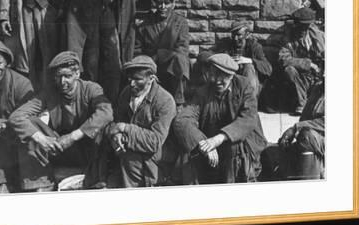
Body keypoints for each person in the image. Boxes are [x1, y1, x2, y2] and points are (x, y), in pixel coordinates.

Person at [7, 51, 113, 191]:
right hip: (59, 147)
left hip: (87, 148)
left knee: (102, 126)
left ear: (77, 74)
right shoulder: (50, 93)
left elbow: (106, 113)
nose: (63, 82)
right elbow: (17, 116)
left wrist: (73, 136)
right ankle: (40, 183)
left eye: (67, 76)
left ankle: (97, 178)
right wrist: (42, 139)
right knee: (31, 123)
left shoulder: (91, 89)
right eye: (59, 77)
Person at [173, 53, 267, 184]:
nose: (216, 80)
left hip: (243, 144)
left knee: (234, 148)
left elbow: (247, 119)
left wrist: (219, 139)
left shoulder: (245, 87)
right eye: (213, 75)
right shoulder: (203, 92)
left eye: (222, 77)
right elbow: (182, 120)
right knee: (188, 147)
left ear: (231, 75)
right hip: (213, 147)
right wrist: (204, 143)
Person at [105, 56, 176, 187]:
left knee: (130, 160)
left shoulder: (165, 101)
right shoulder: (126, 93)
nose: (132, 84)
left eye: (138, 79)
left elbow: (154, 142)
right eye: (130, 79)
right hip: (129, 151)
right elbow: (116, 121)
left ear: (151, 79)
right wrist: (116, 135)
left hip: (157, 158)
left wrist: (125, 128)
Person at [0, 39, 40, 193]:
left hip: (20, 137)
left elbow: (34, 117)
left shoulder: (21, 84)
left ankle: (33, 183)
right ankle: (0, 182)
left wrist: (5, 126)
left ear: (7, 62)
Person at [134, 0, 190, 105]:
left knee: (180, 59)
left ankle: (178, 101)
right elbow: (138, 49)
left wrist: (161, 54)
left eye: (167, 3)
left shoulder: (180, 23)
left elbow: (183, 48)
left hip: (172, 66)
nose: (162, 7)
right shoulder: (145, 25)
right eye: (159, 3)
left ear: (173, 4)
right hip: (151, 65)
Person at [278, 7, 325, 115]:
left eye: (306, 26)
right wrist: (308, 64)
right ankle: (302, 104)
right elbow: (283, 59)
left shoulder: (320, 37)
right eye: (300, 26)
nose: (302, 30)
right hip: (300, 78)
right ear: (295, 24)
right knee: (289, 70)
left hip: (317, 77)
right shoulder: (288, 39)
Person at [278, 78, 325, 180]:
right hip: (312, 135)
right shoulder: (319, 87)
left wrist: (296, 128)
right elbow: (305, 117)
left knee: (306, 137)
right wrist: (294, 133)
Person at [216, 21, 272, 98]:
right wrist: (226, 60)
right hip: (232, 84)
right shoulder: (227, 45)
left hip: (252, 86)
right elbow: (208, 55)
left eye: (239, 35)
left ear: (247, 35)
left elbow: (268, 68)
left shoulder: (255, 47)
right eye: (234, 35)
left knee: (248, 67)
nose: (235, 39)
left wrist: (250, 60)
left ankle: (249, 101)